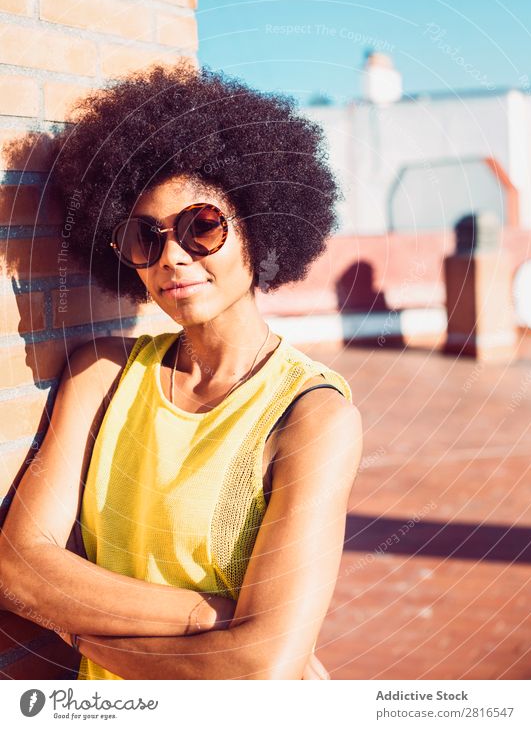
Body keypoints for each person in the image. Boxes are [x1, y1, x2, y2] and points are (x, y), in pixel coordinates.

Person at [0, 60, 362, 680]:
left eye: (202, 228)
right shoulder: (103, 374)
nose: (172, 256)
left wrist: (84, 631)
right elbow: (15, 568)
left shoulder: (312, 415)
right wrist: (205, 617)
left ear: (258, 229)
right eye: (145, 237)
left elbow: (262, 668)